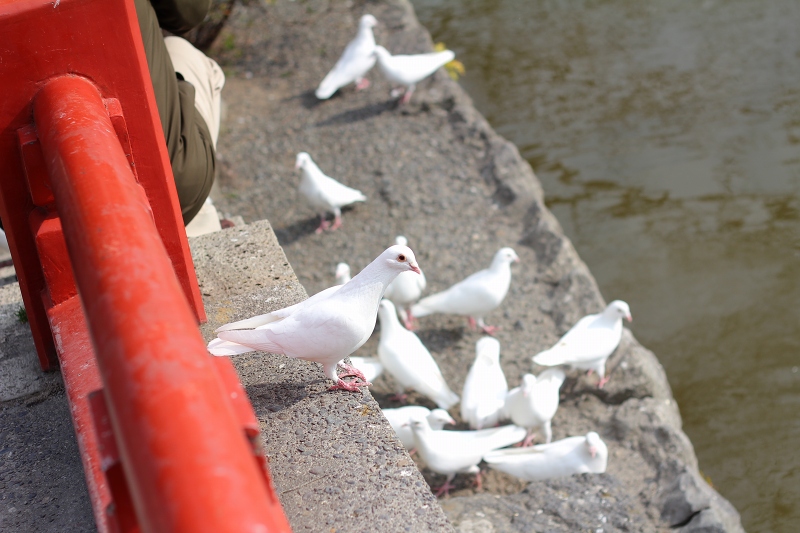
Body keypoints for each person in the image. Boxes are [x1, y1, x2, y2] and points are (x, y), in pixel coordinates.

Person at [134, 0, 225, 226]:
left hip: (67, 169)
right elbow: (190, 11)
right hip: (168, 179)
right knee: (182, 49)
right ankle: (202, 223)